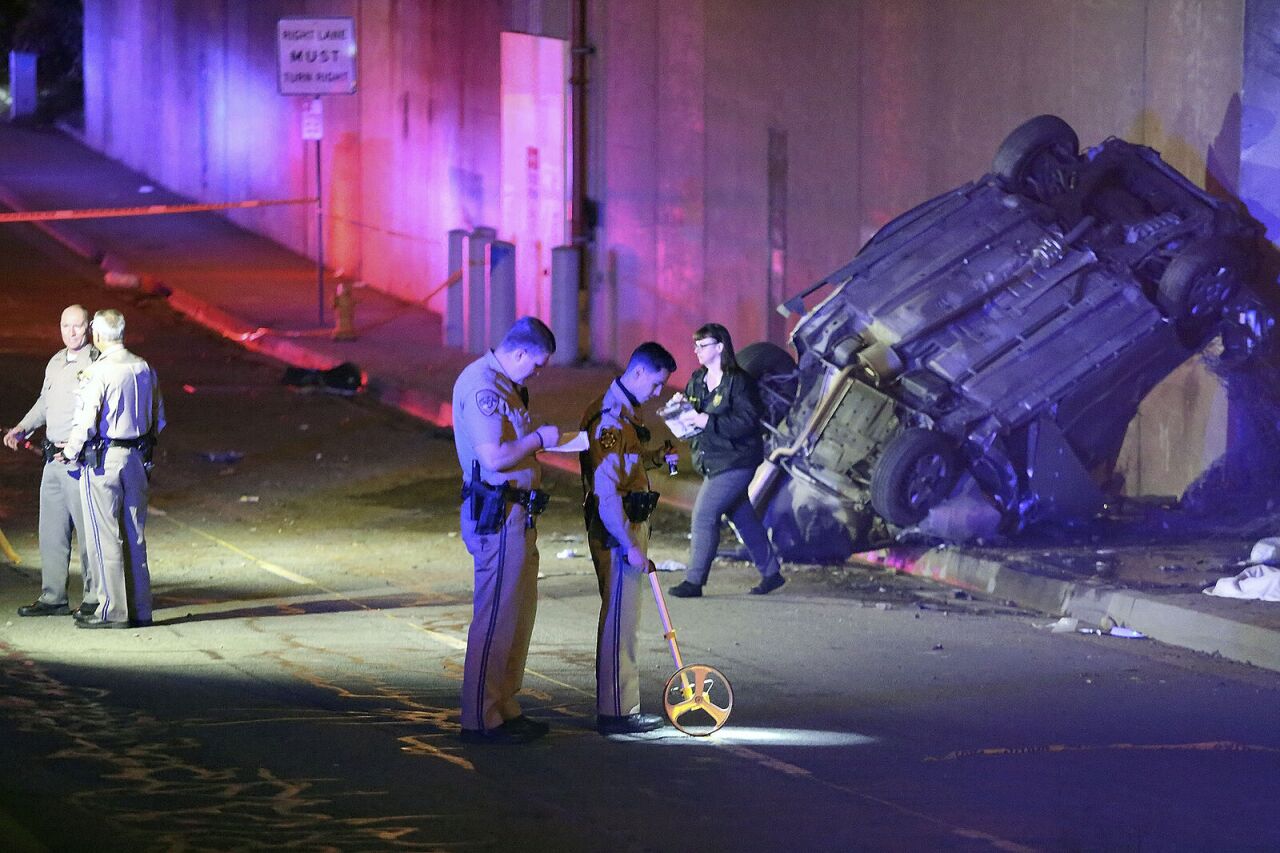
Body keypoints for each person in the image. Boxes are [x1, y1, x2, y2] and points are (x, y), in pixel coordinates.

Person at [452, 317, 560, 745]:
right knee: (495, 617)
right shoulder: (483, 386)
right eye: (536, 364)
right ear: (518, 354)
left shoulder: (505, 383)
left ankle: (504, 705)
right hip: (497, 514)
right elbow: (494, 457)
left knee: (516, 616)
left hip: (517, 514)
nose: (537, 373)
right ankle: (480, 717)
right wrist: (538, 440)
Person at [580, 342, 678, 736]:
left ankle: (621, 706)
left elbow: (627, 463)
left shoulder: (622, 414)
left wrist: (654, 457)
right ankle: (617, 712)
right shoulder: (610, 420)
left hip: (625, 522)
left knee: (624, 617)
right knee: (620, 620)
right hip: (618, 528)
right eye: (656, 384)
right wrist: (631, 546)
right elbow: (606, 493)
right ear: (638, 373)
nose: (657, 394)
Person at [62, 309, 165, 629]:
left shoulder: (98, 372)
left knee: (105, 537)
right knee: (135, 535)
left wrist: (69, 452)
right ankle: (140, 609)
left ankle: (112, 610)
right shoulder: (143, 367)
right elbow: (158, 418)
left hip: (104, 460)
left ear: (97, 335)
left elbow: (86, 421)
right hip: (136, 458)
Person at [668, 323, 784, 598]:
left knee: (704, 515)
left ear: (720, 347)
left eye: (703, 345)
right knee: (742, 516)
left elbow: (747, 421)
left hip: (737, 460)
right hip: (712, 459)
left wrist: (706, 419)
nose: (697, 350)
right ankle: (771, 573)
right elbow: (693, 418)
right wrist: (680, 409)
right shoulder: (697, 379)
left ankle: (694, 581)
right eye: (695, 345)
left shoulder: (738, 382)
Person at [3, 304, 99, 618]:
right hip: (53, 461)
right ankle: (53, 596)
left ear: (88, 327)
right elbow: (45, 402)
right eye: (65, 326)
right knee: (51, 533)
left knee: (88, 535)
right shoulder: (56, 361)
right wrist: (22, 427)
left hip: (79, 460)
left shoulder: (96, 361)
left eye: (77, 326)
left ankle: (94, 597)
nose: (71, 332)